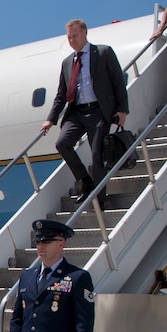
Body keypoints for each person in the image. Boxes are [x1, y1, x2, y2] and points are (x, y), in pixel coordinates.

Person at [40, 19, 129, 204]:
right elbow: (61, 95)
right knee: (62, 144)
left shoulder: (103, 52)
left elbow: (118, 82)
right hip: (77, 112)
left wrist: (122, 110)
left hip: (98, 110)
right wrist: (51, 119)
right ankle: (86, 181)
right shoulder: (67, 62)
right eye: (69, 37)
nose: (72, 40)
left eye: (75, 36)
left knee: (97, 153)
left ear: (85, 33)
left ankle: (100, 200)